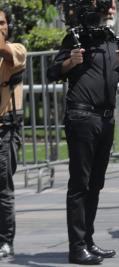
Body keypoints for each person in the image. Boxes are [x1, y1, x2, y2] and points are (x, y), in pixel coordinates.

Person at [47, 0, 119, 264]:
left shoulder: (112, 40)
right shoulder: (74, 39)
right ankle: (77, 247)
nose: (105, 13)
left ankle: (87, 240)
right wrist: (70, 62)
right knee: (80, 184)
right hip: (82, 116)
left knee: (95, 184)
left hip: (106, 118)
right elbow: (52, 72)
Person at [0, 6, 26, 259]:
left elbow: (4, 51)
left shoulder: (16, 49)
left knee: (3, 189)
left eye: (2, 23)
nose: (0, 27)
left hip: (4, 132)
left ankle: (6, 241)